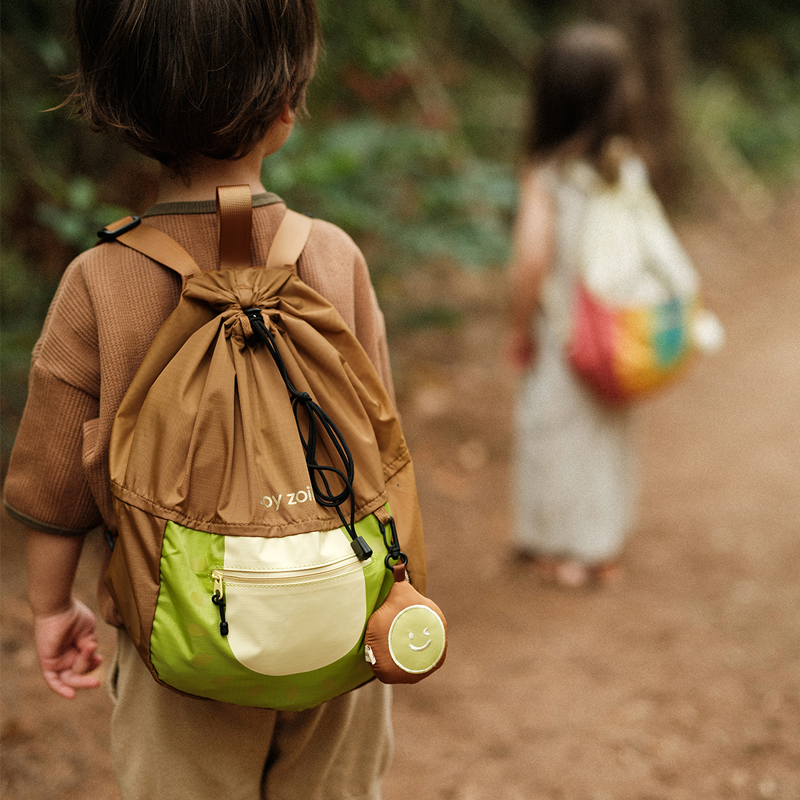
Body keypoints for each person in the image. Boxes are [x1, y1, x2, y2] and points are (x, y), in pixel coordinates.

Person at [3, 1, 397, 797]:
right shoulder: (333, 257)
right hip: (338, 614)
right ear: (288, 103)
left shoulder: (100, 280)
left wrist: (51, 607)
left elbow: (53, 483)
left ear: (119, 106)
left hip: (177, 627)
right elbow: (380, 439)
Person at [506, 23, 646, 588]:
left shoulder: (546, 174)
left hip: (563, 336)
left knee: (554, 436)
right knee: (606, 438)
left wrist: (520, 326)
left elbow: (531, 258)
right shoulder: (625, 167)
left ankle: (561, 549)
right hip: (615, 332)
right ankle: (601, 548)